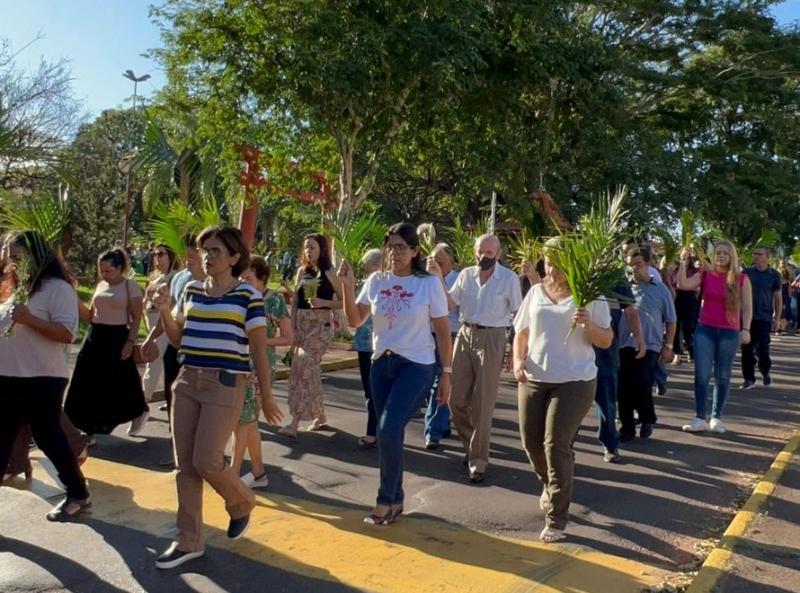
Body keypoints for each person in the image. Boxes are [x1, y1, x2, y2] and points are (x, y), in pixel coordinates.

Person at [152, 225, 283, 569]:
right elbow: (179, 339)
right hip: (187, 381)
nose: (207, 257)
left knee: (207, 460)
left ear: (234, 258)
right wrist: (165, 310)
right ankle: (188, 540)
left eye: (216, 252)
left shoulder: (247, 297)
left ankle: (241, 501)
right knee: (185, 467)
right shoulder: (191, 290)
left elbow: (257, 349)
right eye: (204, 250)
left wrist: (267, 397)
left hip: (226, 383)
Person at [339, 222, 452, 525]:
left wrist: (447, 374)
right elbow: (355, 320)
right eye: (391, 246)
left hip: (417, 365)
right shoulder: (376, 281)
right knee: (391, 433)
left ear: (415, 250)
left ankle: (384, 500)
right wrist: (348, 287)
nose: (395, 252)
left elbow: (442, 332)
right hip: (381, 365)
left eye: (402, 247)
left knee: (387, 429)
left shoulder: (427, 283)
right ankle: (396, 498)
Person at [512, 238, 612, 543]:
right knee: (531, 442)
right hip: (535, 377)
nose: (550, 268)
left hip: (575, 380)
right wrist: (517, 360)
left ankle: (556, 518)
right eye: (547, 261)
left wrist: (587, 325)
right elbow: (522, 332)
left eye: (557, 262)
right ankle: (551, 482)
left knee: (556, 444)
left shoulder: (590, 297)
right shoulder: (536, 293)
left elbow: (606, 340)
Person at [0, 231, 91, 520]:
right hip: (8, 377)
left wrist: (29, 319)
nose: (11, 262)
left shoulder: (57, 289)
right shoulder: (17, 289)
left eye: (17, 256)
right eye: (9, 256)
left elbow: (67, 333)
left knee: (48, 437)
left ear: (35, 256)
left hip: (40, 378)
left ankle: (77, 493)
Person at [430, 234, 522, 483]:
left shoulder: (509, 279)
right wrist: (438, 276)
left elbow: (519, 314)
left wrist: (515, 349)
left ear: (498, 254)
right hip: (465, 334)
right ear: (475, 252)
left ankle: (478, 461)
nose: (485, 256)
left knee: (482, 404)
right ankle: (474, 446)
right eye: (481, 252)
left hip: (493, 338)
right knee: (455, 399)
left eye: (490, 253)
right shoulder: (466, 275)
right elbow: (449, 303)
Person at [64, 249, 148, 438]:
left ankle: (138, 410)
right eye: (101, 270)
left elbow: (136, 318)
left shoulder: (130, 286)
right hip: (95, 335)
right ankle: (83, 428)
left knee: (120, 380)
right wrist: (74, 298)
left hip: (117, 336)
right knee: (84, 380)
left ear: (120, 268)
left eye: (108, 270)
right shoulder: (101, 285)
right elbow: (90, 315)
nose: (104, 274)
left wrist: (130, 342)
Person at [678, 241, 752, 433]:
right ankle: (699, 417)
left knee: (722, 375)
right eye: (718, 253)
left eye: (725, 254)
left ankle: (716, 417)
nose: (720, 256)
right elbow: (683, 284)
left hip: (729, 331)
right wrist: (682, 262)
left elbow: (747, 306)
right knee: (701, 374)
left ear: (731, 257)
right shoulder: (705, 274)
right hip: (705, 329)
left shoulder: (741, 279)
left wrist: (746, 329)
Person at [234, 255, 292, 488]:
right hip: (237, 362)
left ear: (262, 279)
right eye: (241, 277)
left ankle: (233, 473)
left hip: (259, 367)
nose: (243, 281)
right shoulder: (239, 298)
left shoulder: (274, 301)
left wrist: (261, 341)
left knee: (242, 421)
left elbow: (288, 337)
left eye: (248, 278)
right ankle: (258, 472)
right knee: (247, 422)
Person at [279, 234, 343, 438]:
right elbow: (296, 301)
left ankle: (295, 422)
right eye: (306, 247)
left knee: (304, 365)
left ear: (322, 249)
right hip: (302, 324)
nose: (308, 251)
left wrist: (324, 303)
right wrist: (292, 327)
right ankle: (320, 415)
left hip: (320, 325)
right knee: (308, 370)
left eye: (312, 247)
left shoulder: (330, 272)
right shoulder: (302, 271)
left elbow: (344, 301)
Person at [617, 248, 676, 442]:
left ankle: (647, 418)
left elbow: (671, 320)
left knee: (643, 382)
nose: (635, 268)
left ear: (649, 264)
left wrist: (668, 345)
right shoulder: (623, 288)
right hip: (625, 343)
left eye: (639, 264)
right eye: (632, 264)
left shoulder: (660, 289)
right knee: (624, 386)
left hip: (651, 344)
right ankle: (626, 427)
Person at [593, 267, 644, 463]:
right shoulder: (575, 272)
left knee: (606, 397)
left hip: (606, 348)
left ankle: (610, 443)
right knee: (570, 399)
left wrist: (639, 337)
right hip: (577, 347)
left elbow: (630, 310)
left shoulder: (614, 276)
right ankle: (565, 446)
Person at [129, 243, 179, 436]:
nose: (157, 257)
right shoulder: (154, 276)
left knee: (153, 364)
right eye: (155, 254)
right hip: (150, 320)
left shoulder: (175, 277)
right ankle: (167, 402)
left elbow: (172, 303)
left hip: (164, 324)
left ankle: (142, 408)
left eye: (161, 254)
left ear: (170, 255)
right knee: (159, 364)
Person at [423, 243, 459, 450]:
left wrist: (438, 278)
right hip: (428, 334)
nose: (436, 265)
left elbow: (450, 304)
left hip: (450, 334)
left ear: (451, 263)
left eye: (440, 262)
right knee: (432, 381)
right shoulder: (425, 279)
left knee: (441, 380)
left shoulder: (457, 279)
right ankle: (442, 423)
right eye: (433, 261)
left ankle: (433, 431)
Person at [353, 248, 383, 449]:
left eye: (369, 265)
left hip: (378, 345)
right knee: (370, 390)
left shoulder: (383, 283)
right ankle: (377, 429)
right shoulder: (366, 284)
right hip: (365, 344)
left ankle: (373, 432)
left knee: (374, 391)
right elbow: (355, 315)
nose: (366, 270)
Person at [740, 247, 782, 388]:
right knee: (746, 348)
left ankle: (765, 371)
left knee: (762, 348)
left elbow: (778, 297)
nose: (756, 256)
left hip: (764, 316)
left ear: (767, 257)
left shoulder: (774, 275)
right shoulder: (746, 273)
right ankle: (749, 379)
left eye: (759, 254)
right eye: (755, 253)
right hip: (747, 317)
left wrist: (777, 318)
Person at [669, 255, 700, 364]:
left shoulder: (695, 270)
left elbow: (697, 285)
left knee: (689, 326)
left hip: (691, 299)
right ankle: (677, 354)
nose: (685, 259)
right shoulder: (675, 270)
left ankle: (690, 349)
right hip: (677, 298)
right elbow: (673, 283)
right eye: (683, 257)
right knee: (675, 327)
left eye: (686, 257)